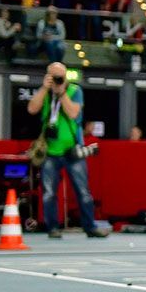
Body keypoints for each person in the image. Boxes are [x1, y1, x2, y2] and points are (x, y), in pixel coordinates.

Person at [26, 62, 109, 239]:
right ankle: (53, 228)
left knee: (83, 191)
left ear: (66, 76)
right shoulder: (45, 92)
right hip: (50, 151)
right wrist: (43, 88)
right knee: (49, 193)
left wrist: (61, 92)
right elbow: (32, 109)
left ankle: (90, 226)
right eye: (53, 76)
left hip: (72, 149)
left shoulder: (75, 91)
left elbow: (73, 113)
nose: (57, 80)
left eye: (60, 76)